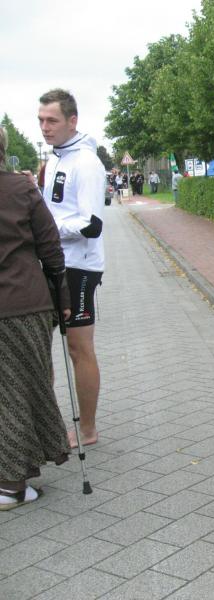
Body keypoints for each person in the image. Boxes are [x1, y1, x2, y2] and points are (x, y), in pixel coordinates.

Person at [0, 125, 72, 509]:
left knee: (10, 391)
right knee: (24, 388)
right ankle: (13, 481)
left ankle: (11, 478)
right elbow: (51, 249)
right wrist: (62, 299)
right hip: (26, 305)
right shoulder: (23, 190)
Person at [38, 88, 106, 448]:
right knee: (39, 345)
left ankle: (88, 429)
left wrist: (48, 229)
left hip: (80, 267)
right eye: (41, 120)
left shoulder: (86, 163)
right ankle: (46, 426)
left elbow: (92, 224)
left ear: (72, 120)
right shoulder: (54, 159)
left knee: (79, 349)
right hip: (52, 262)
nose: (45, 127)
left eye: (52, 120)